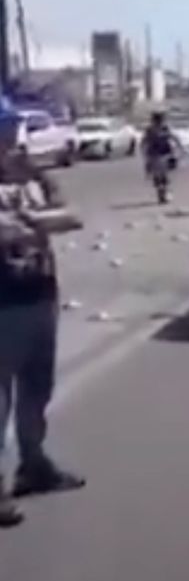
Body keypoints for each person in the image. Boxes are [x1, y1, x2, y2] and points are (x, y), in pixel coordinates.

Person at [0, 99, 86, 528]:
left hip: (39, 294)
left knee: (37, 389)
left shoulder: (33, 175)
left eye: (10, 127)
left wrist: (31, 218)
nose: (9, 137)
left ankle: (33, 464)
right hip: (3, 304)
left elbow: (72, 216)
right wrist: (29, 223)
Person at [141, 110, 185, 199]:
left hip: (162, 154)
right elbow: (144, 141)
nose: (158, 123)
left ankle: (163, 191)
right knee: (159, 174)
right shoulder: (151, 130)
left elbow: (173, 137)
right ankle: (161, 190)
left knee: (162, 173)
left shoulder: (163, 128)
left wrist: (179, 146)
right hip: (156, 154)